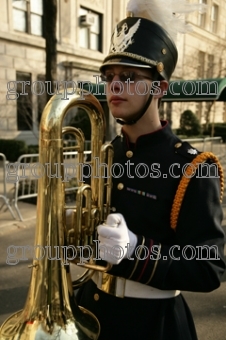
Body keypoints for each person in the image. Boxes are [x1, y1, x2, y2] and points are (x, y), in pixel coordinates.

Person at [76, 1, 225, 339]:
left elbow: (209, 267)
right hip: (90, 312)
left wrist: (135, 249)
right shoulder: (104, 155)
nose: (115, 86)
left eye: (130, 77)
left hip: (151, 325)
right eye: (109, 76)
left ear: (159, 87)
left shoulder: (192, 167)